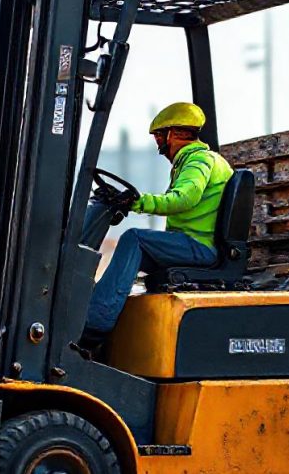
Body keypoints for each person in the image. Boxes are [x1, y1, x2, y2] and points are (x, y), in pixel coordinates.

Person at [82, 102, 233, 344]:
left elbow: (184, 198)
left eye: (159, 137)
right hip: (193, 243)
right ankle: (93, 308)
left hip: (200, 247)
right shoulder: (193, 161)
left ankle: (94, 324)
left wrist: (139, 202)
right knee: (131, 254)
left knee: (134, 238)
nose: (159, 145)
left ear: (172, 134)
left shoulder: (198, 161)